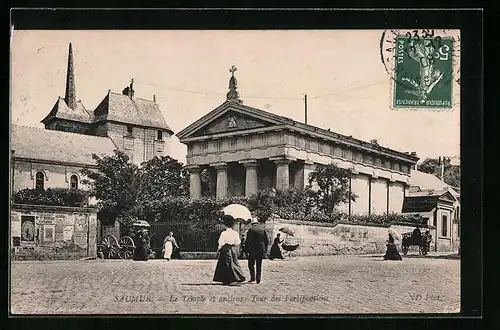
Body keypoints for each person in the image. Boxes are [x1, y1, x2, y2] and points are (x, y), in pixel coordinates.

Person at [213, 215, 246, 285]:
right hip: (232, 249)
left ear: (225, 225)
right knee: (234, 262)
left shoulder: (224, 233)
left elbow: (221, 242)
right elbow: (238, 242)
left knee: (225, 264)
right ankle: (238, 277)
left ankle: (226, 279)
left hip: (225, 249)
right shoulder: (235, 233)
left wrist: (218, 249)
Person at [244, 217, 269, 284]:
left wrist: (246, 251)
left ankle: (252, 278)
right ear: (257, 223)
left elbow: (248, 241)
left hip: (252, 250)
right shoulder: (262, 230)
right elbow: (266, 241)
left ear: (252, 224)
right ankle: (258, 279)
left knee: (251, 264)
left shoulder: (250, 230)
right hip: (260, 250)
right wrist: (265, 250)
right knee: (259, 265)